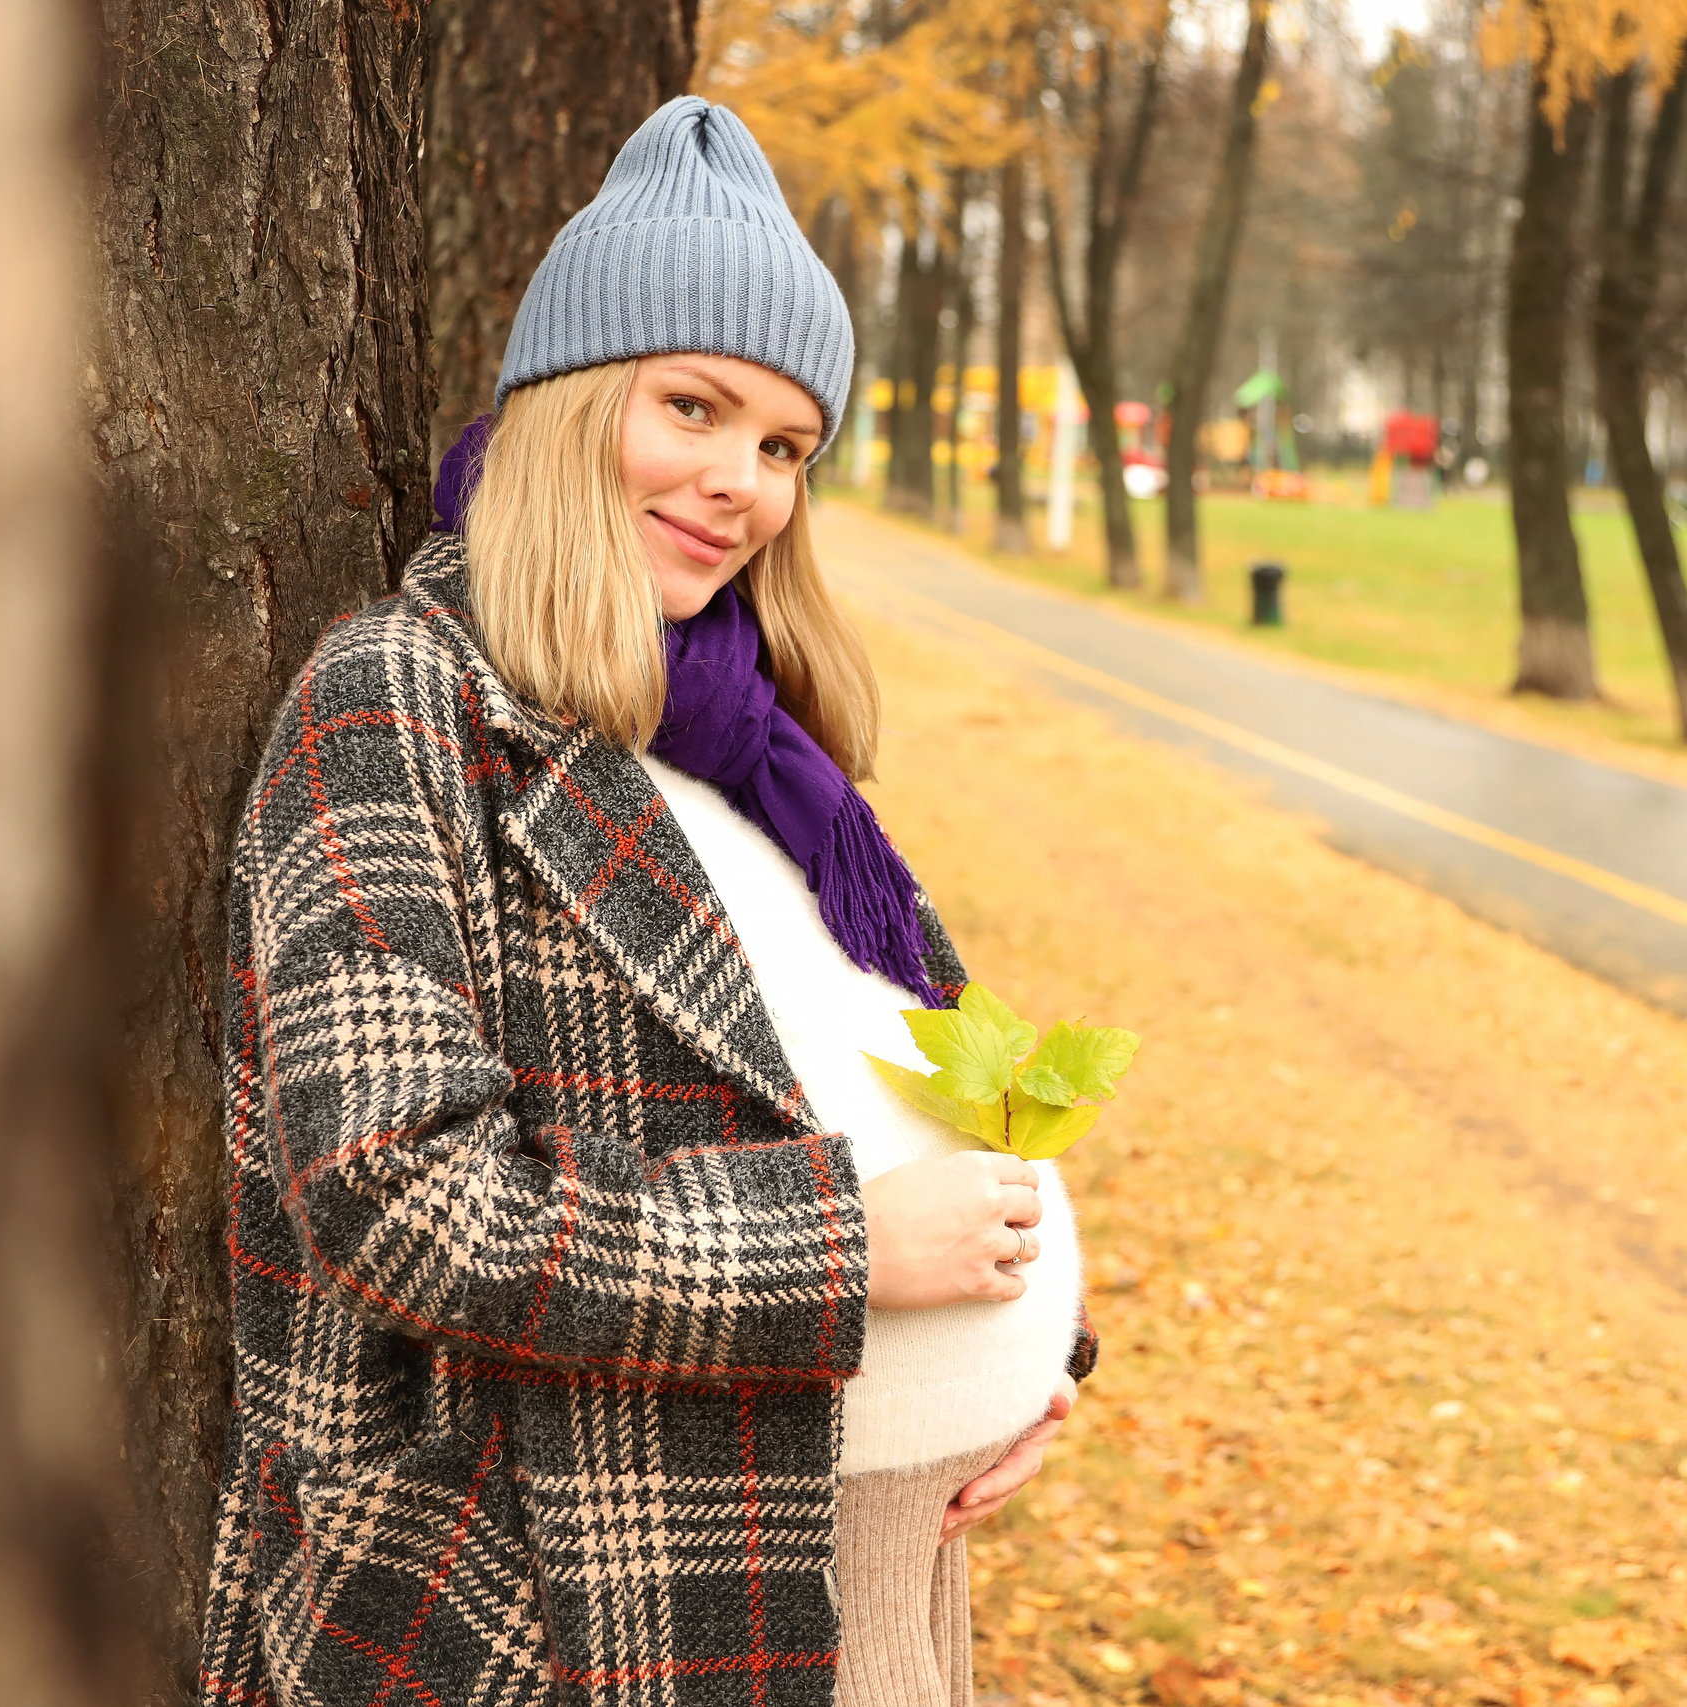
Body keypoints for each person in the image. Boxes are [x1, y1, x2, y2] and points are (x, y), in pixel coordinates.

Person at [197, 97, 1091, 1707]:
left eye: (783, 447)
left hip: (883, 1568)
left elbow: (901, 1068)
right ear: (572, 393)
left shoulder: (763, 745)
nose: (738, 481)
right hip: (581, 1617)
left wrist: (1036, 1357)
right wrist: (843, 1249)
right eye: (695, 405)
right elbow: (395, 1191)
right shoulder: (402, 705)